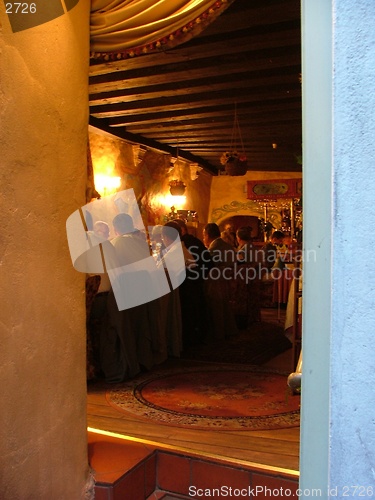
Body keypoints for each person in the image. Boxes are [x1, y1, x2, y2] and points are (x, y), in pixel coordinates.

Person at [202, 223, 238, 340]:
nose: (203, 238)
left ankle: (216, 332)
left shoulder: (214, 247)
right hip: (226, 280)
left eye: (204, 235)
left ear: (207, 235)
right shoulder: (226, 245)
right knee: (224, 306)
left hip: (216, 282)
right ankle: (226, 329)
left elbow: (208, 265)